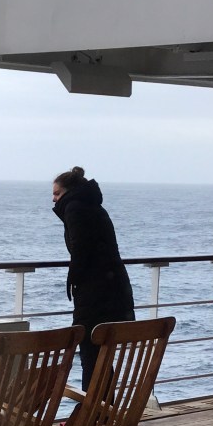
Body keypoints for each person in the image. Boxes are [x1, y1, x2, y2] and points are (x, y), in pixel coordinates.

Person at [52, 166, 135, 389]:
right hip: (115, 288)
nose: (53, 199)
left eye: (57, 193)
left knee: (89, 352)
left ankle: (92, 407)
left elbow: (81, 248)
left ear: (69, 192)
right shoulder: (95, 206)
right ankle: (104, 406)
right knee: (103, 354)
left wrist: (74, 278)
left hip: (95, 293)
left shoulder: (74, 208)